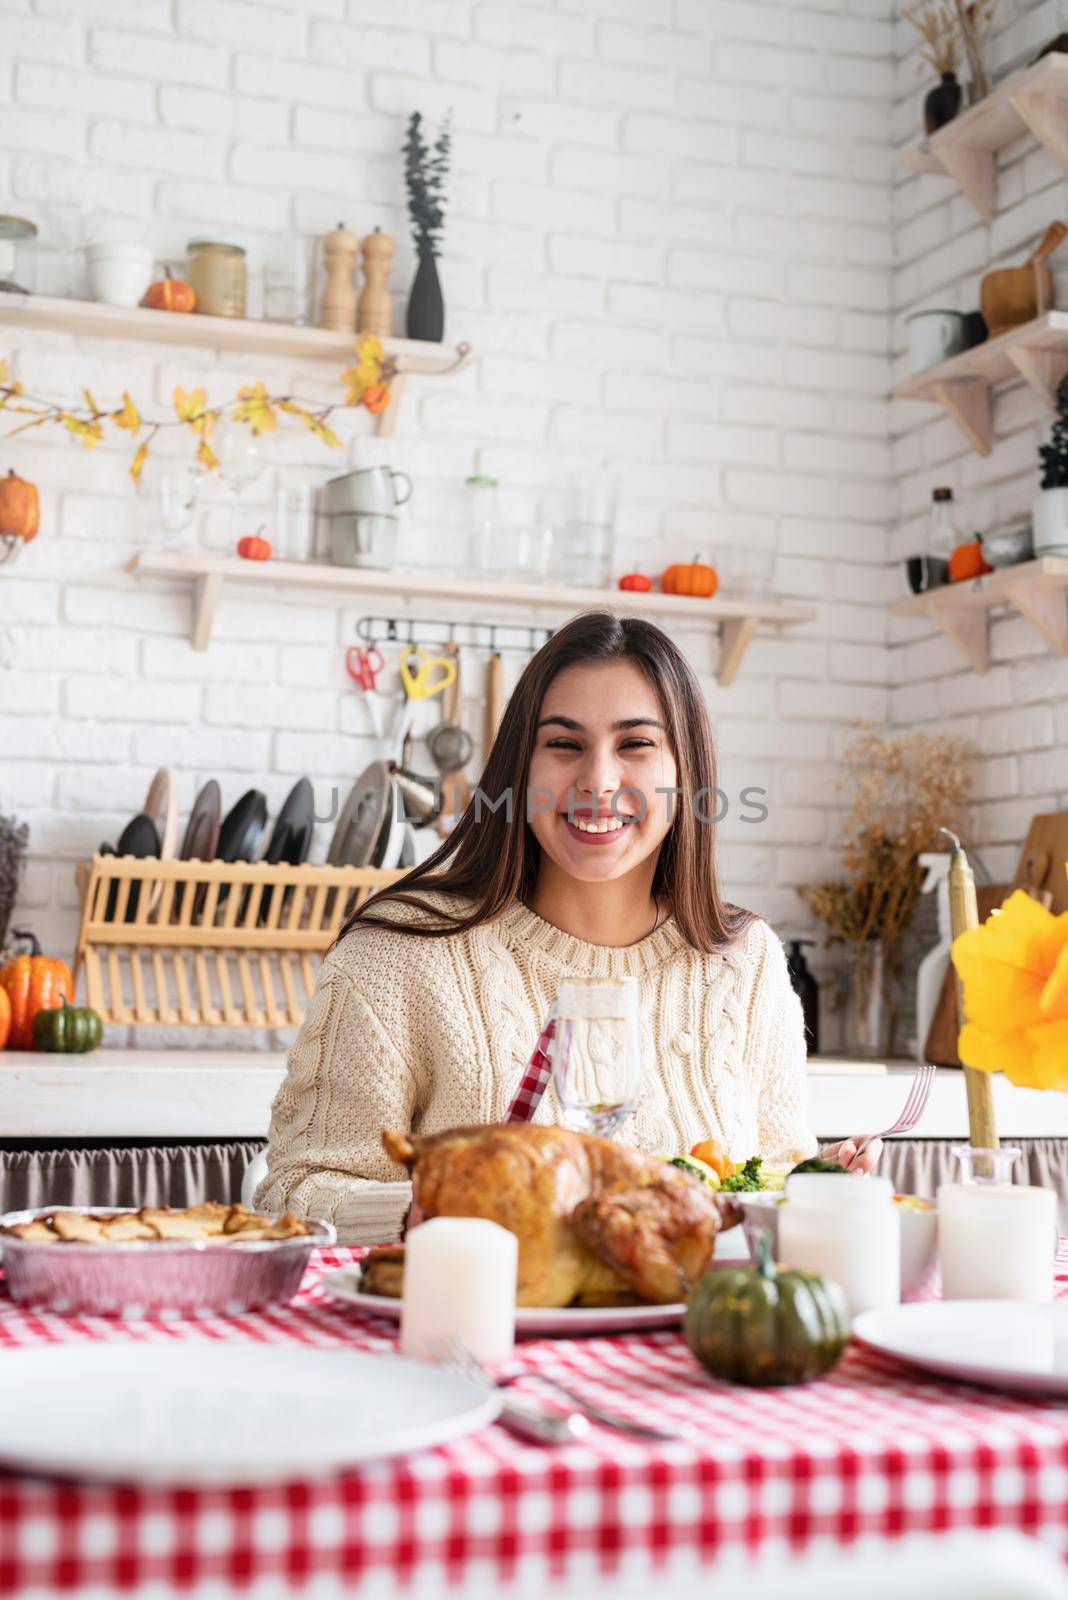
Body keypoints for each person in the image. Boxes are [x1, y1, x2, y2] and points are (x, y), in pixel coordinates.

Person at [257, 612, 881, 1243]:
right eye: (563, 744)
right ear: (519, 769)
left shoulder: (745, 964)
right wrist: (429, 1209)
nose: (598, 782)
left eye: (635, 745)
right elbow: (295, 1190)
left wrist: (815, 1186)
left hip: (688, 1334)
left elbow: (770, 1177)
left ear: (683, 772)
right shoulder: (397, 956)